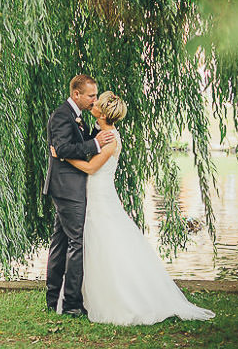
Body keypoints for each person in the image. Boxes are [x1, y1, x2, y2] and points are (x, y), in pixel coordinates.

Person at [65, 91, 215, 325]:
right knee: (100, 241)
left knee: (106, 242)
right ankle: (92, 293)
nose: (92, 104)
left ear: (103, 113)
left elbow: (92, 167)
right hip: (95, 193)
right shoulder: (103, 132)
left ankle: (121, 298)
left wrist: (64, 156)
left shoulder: (111, 138)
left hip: (100, 194)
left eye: (97, 104)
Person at [42, 74, 116, 315]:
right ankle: (72, 304)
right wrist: (94, 144)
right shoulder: (62, 115)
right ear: (77, 94)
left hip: (70, 186)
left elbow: (73, 144)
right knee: (77, 241)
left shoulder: (77, 116)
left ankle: (54, 299)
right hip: (67, 187)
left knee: (61, 241)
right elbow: (62, 148)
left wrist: (93, 139)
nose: (95, 100)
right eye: (91, 96)